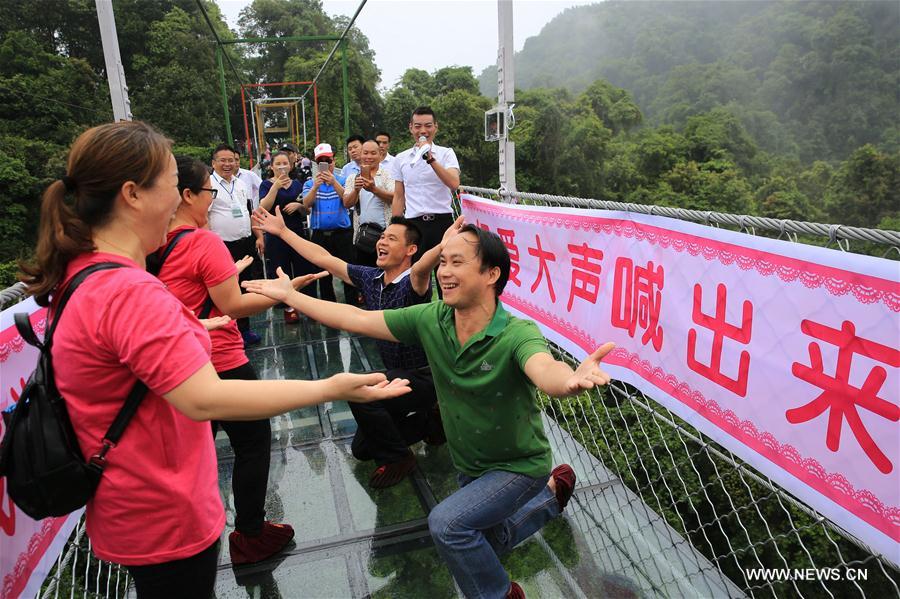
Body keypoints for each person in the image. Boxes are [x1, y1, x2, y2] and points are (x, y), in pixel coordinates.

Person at [18, 121, 411, 599]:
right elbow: (208, 397)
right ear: (133, 194)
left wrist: (189, 326)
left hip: (133, 508)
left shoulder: (86, 273)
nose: (192, 199)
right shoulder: (127, 288)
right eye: (172, 184)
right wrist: (332, 388)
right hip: (164, 515)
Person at [243, 224, 615, 599]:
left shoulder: (517, 333)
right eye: (442, 262)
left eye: (457, 262)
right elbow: (355, 319)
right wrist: (291, 296)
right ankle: (552, 495)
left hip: (517, 467)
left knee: (449, 526)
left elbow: (544, 369)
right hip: (470, 465)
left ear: (491, 274)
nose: (444, 272)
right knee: (490, 540)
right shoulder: (432, 319)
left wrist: (568, 381)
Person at [155, 156, 327, 565]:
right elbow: (231, 305)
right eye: (208, 193)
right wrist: (286, 292)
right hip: (221, 356)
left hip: (178, 357)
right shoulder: (203, 241)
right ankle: (249, 534)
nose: (210, 201)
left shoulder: (152, 241)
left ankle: (182, 531)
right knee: (252, 442)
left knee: (192, 447)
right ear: (188, 195)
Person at [253, 208, 464, 488]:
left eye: (391, 238)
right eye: (382, 237)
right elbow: (324, 258)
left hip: (428, 375)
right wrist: (283, 232)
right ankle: (434, 421)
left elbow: (424, 265)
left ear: (410, 249)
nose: (381, 242)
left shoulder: (415, 282)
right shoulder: (371, 278)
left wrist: (443, 246)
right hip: (397, 377)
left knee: (363, 395)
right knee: (362, 450)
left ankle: (400, 458)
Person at [208, 143, 265, 346]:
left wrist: (258, 235)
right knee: (224, 289)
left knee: (243, 286)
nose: (227, 164)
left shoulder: (241, 184)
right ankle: (224, 331)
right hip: (221, 246)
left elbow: (249, 212)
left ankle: (244, 329)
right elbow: (204, 215)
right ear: (213, 163)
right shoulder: (208, 185)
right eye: (222, 160)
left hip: (245, 243)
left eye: (231, 160)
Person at [391, 107, 460, 263]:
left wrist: (430, 159)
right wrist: (395, 227)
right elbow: (399, 196)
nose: (423, 131)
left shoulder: (446, 153)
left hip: (443, 223)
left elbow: (454, 183)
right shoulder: (401, 158)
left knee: (447, 272)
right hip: (414, 224)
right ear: (410, 127)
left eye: (428, 126)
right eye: (417, 126)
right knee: (415, 275)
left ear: (436, 126)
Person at [258, 151, 318, 321]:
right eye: (278, 164)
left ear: (291, 166)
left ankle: (310, 306)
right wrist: (275, 187)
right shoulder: (266, 185)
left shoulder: (298, 184)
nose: (282, 167)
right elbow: (264, 206)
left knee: (303, 268)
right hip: (275, 236)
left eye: (285, 163)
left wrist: (298, 206)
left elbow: (307, 209)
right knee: (281, 270)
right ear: (271, 166)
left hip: (296, 232)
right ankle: (289, 308)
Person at [302, 142, 357, 304]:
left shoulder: (343, 180)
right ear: (317, 165)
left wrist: (334, 183)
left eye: (329, 160)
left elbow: (348, 202)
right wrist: (315, 188)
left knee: (347, 271)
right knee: (323, 273)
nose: (326, 165)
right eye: (321, 162)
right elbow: (306, 204)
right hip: (320, 236)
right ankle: (328, 306)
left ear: (334, 162)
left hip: (342, 234)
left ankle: (352, 304)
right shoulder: (310, 183)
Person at [344, 139, 395, 267]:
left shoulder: (387, 175)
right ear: (361, 154)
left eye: (373, 153)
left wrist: (374, 189)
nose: (369, 157)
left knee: (385, 275)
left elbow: (395, 197)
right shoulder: (353, 178)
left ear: (380, 155)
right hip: (362, 237)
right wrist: (356, 190)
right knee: (363, 278)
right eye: (365, 153)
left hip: (386, 236)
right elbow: (346, 203)